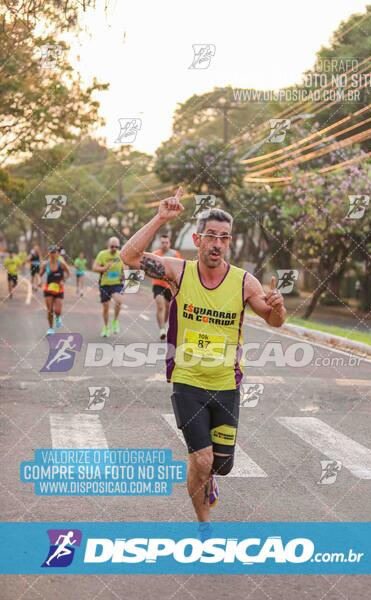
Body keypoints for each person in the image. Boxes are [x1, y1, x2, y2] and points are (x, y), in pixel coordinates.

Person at [120, 187, 286, 526]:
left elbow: (274, 320)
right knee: (201, 458)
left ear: (229, 242)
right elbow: (129, 257)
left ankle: (208, 477)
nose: (217, 243)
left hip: (226, 385)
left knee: (221, 465)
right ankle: (205, 526)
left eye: (224, 238)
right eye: (211, 236)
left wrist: (278, 308)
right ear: (197, 239)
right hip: (188, 382)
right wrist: (161, 218)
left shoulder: (244, 282)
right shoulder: (179, 272)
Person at [152, 234, 183, 340]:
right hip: (158, 284)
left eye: (166, 242)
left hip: (171, 286)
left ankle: (164, 325)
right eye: (162, 242)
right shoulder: (155, 254)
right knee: (160, 306)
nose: (164, 244)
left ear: (170, 243)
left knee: (169, 309)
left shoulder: (175, 254)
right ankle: (161, 330)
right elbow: (149, 269)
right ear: (159, 243)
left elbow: (180, 270)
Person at [93, 237, 124, 338]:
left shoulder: (121, 255)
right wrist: (104, 268)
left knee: (119, 301)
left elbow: (126, 266)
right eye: (112, 246)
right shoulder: (102, 254)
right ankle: (106, 327)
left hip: (117, 283)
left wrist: (124, 274)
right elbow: (94, 267)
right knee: (106, 306)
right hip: (104, 284)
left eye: (116, 246)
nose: (114, 248)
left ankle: (115, 321)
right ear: (108, 245)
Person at [40, 245, 70, 335]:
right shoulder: (45, 264)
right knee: (50, 310)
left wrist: (63, 280)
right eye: (51, 252)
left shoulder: (61, 264)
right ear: (48, 253)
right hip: (48, 289)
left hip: (59, 289)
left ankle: (58, 317)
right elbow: (39, 274)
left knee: (58, 310)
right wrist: (38, 281)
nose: (52, 254)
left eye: (54, 252)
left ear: (57, 253)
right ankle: (50, 328)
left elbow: (68, 273)